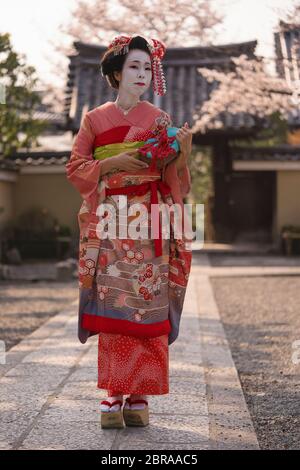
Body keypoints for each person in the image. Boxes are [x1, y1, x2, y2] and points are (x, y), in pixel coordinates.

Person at [66, 34, 193, 429]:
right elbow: (75, 166)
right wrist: (112, 163)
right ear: (117, 74)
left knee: (146, 304)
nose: (142, 74)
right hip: (111, 220)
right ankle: (113, 392)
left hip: (150, 219)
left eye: (146, 67)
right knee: (115, 303)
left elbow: (175, 179)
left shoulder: (159, 119)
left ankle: (139, 394)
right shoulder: (94, 119)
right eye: (134, 67)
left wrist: (183, 153)